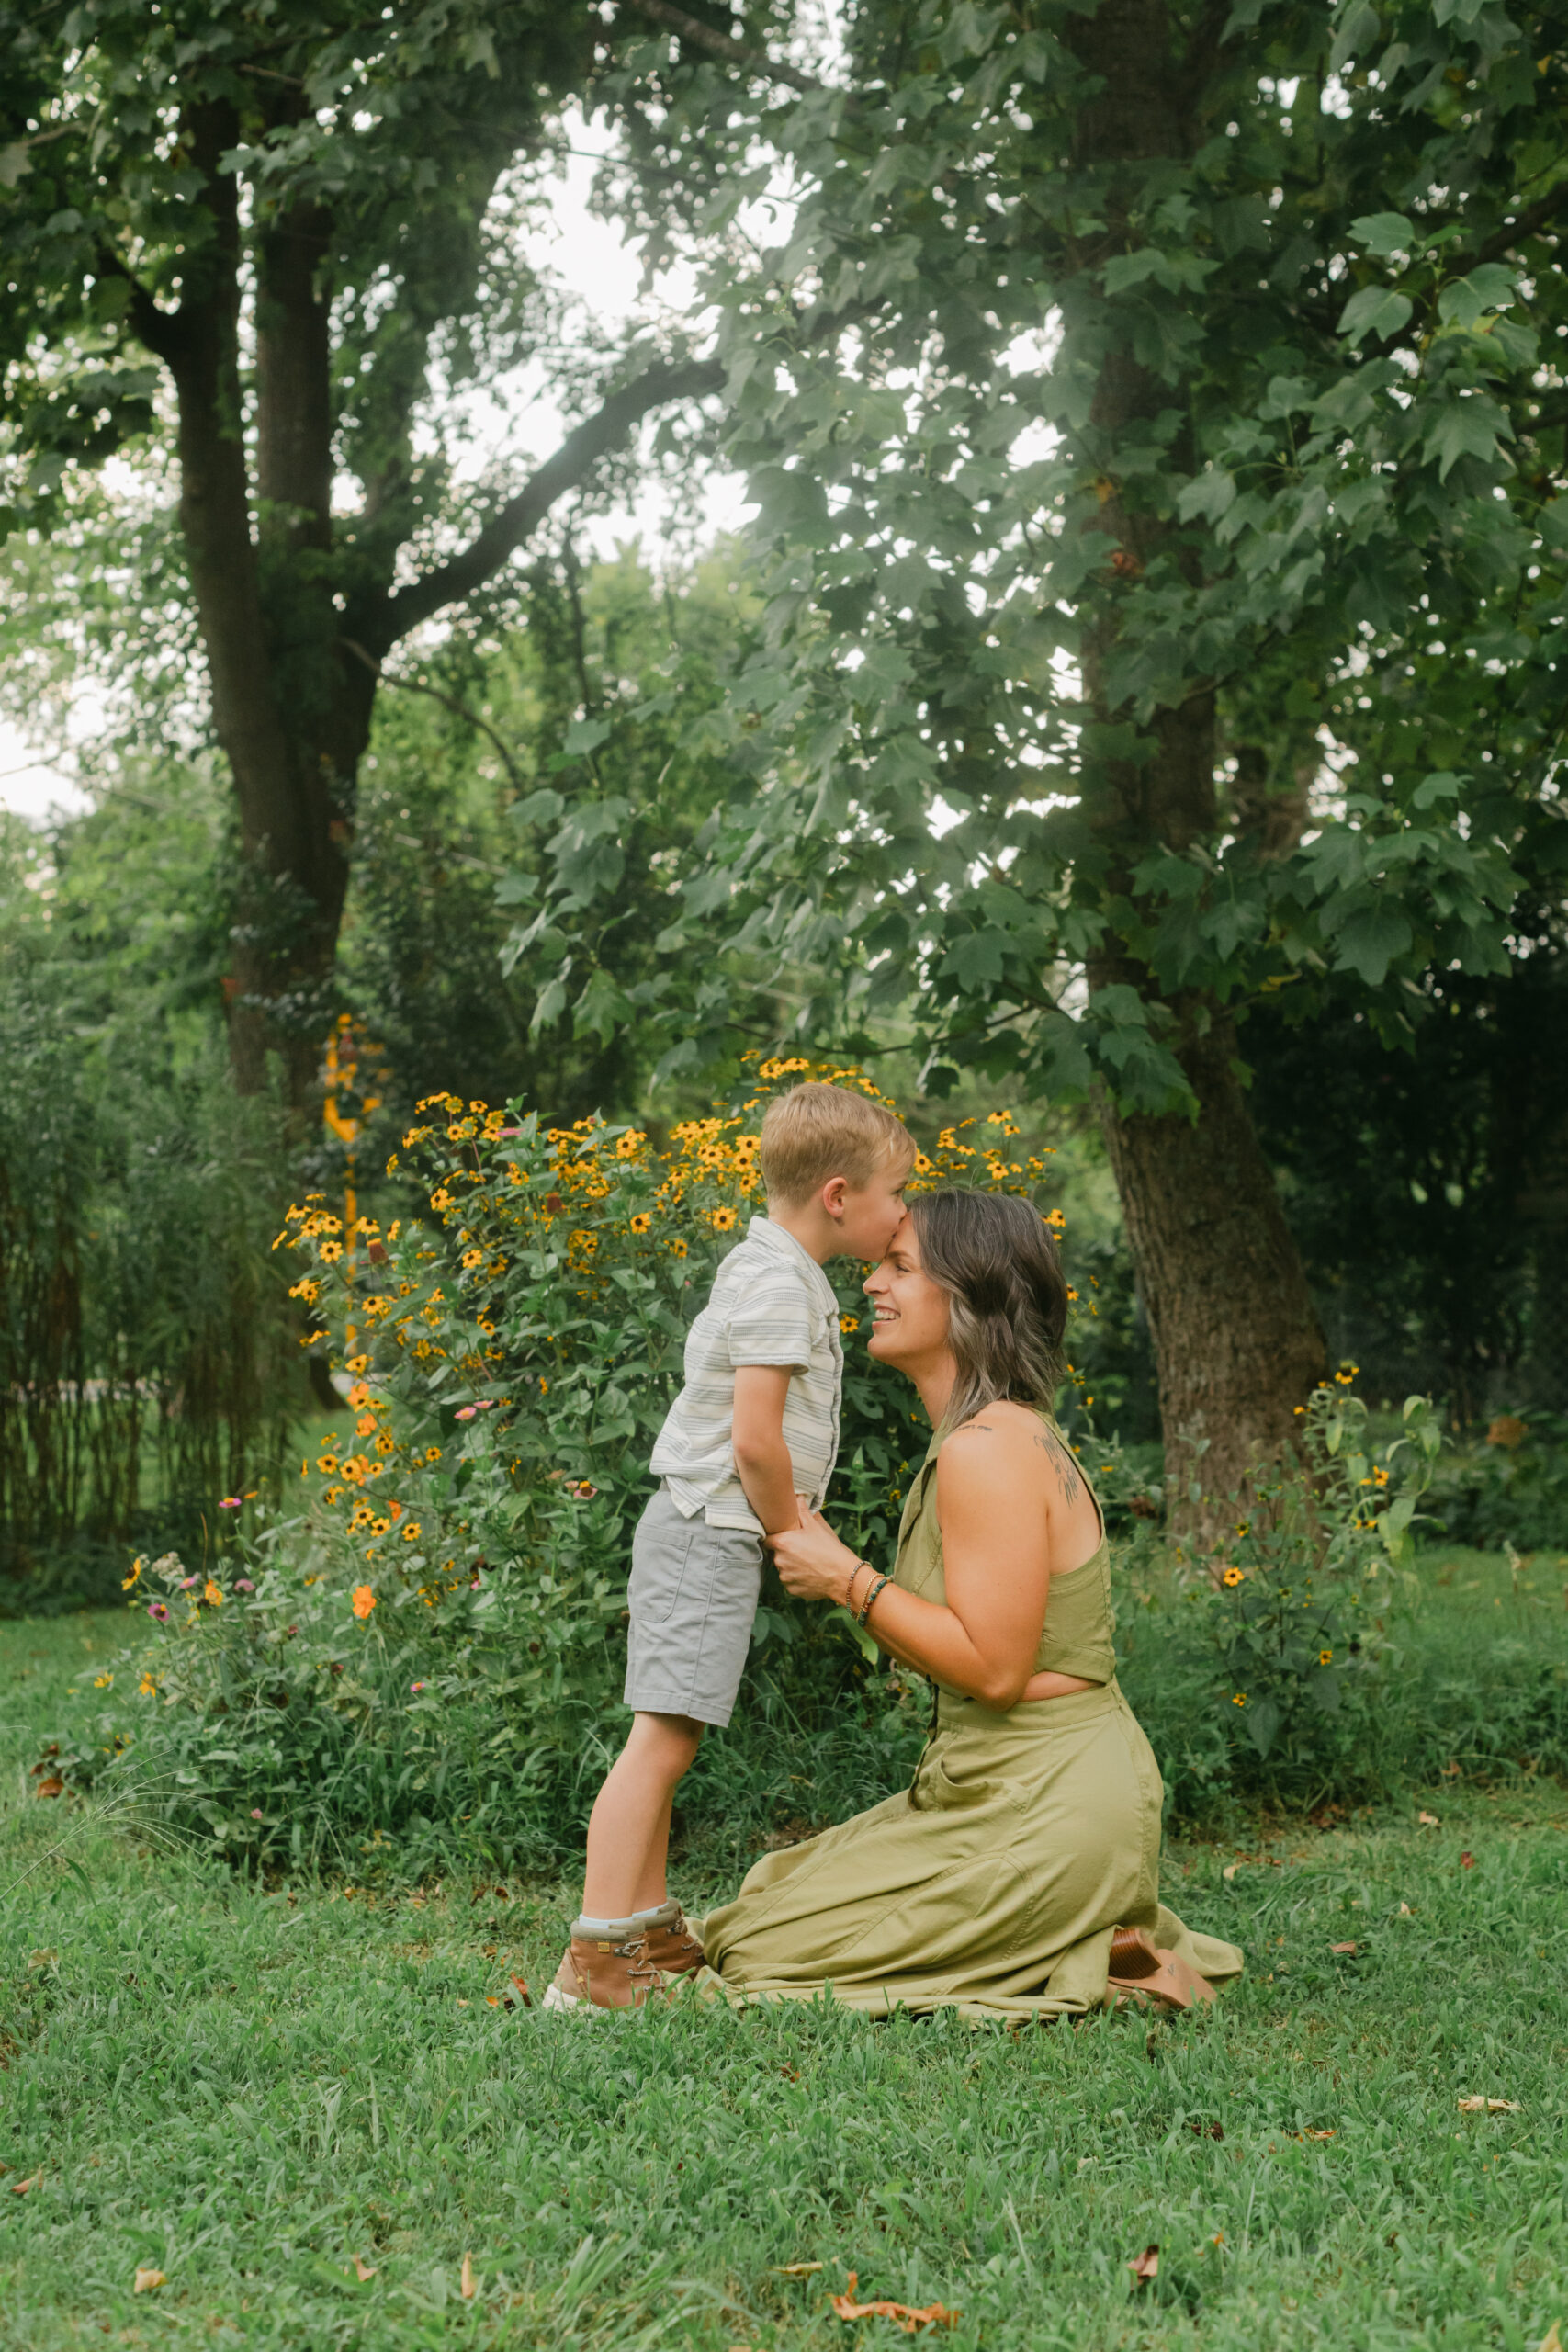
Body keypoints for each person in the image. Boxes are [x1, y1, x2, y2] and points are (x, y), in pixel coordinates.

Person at [694, 1187, 1244, 2022]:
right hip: (993, 1783)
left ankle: (1079, 1936)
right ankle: (1075, 1931)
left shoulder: (987, 1450)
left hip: (1047, 1798)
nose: (872, 1283)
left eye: (900, 1267)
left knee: (755, 1953)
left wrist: (847, 1578)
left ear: (969, 1298)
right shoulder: (994, 1433)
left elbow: (993, 1670)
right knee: (764, 1896)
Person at [545, 1081, 916, 2012]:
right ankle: (595, 1958)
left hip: (703, 1533)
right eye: (896, 1191)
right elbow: (755, 1438)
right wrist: (799, 1531)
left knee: (676, 1735)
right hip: (706, 1531)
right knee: (659, 1742)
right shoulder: (785, 1286)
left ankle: (646, 1927)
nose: (902, 1211)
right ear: (840, 1196)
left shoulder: (770, 1266)